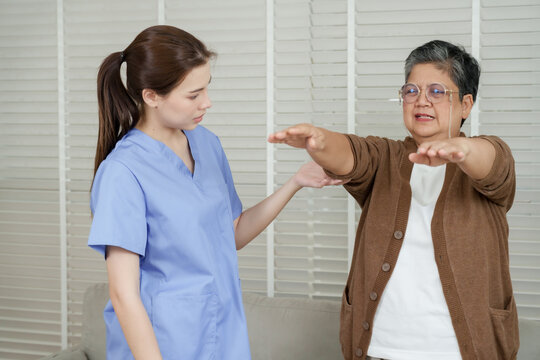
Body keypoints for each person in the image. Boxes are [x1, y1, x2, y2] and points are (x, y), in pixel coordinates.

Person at [88, 25, 344, 360]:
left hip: (222, 333)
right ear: (151, 96)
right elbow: (123, 294)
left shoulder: (207, 144)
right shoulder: (123, 172)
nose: (206, 103)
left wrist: (295, 182)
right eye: (193, 95)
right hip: (160, 345)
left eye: (206, 89)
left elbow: (232, 233)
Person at [269, 40, 519, 360]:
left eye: (437, 91)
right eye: (412, 91)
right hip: (379, 348)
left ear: (466, 105)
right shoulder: (386, 158)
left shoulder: (487, 155)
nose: (421, 101)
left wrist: (461, 151)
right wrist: (319, 141)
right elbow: (351, 153)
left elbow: (491, 161)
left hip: (461, 351)